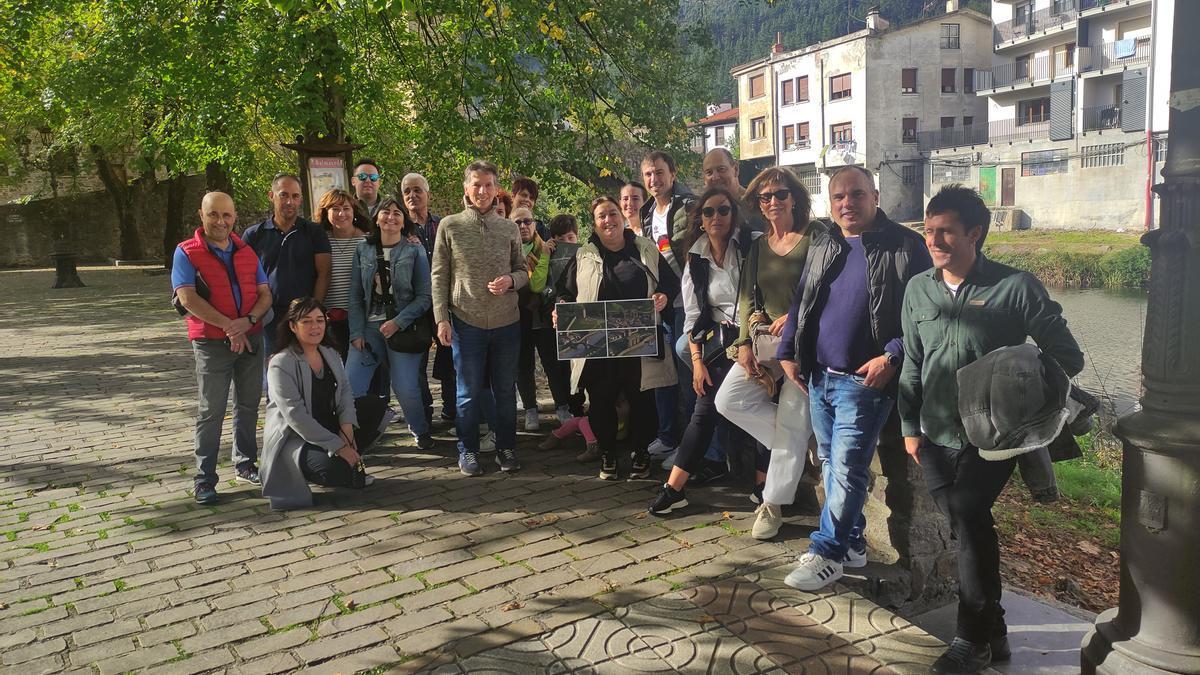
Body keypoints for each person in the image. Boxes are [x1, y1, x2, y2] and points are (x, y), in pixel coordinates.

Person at [899, 185, 1083, 674]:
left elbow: (1067, 358)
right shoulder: (919, 288)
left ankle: (971, 639)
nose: (933, 240)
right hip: (934, 433)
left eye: (945, 232)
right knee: (969, 528)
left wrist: (1015, 390)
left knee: (968, 516)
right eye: (927, 230)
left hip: (994, 442)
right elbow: (914, 362)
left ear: (975, 233)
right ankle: (994, 630)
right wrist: (908, 424)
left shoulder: (1015, 287)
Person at [775, 165, 932, 591]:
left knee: (846, 466)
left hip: (866, 381)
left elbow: (925, 315)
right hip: (820, 375)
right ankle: (853, 542)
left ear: (875, 196)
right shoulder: (826, 242)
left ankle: (827, 553)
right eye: (840, 197)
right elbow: (803, 298)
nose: (848, 204)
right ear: (831, 203)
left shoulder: (906, 245)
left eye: (857, 194)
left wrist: (892, 357)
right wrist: (788, 351)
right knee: (829, 461)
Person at [714, 167, 823, 540]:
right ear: (758, 204)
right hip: (767, 345)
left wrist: (794, 317)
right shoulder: (759, 245)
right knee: (728, 400)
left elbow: (830, 290)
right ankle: (803, 443)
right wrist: (743, 344)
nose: (773, 201)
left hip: (806, 345)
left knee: (793, 417)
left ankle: (773, 504)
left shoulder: (817, 236)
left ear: (794, 197)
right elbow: (747, 297)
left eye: (780, 194)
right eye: (765, 197)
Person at [649, 187, 757, 514]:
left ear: (733, 214)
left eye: (723, 211)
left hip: (754, 339)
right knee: (703, 405)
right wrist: (696, 361)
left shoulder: (751, 245)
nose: (716, 218)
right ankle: (674, 489)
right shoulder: (695, 257)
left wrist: (748, 342)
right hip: (718, 344)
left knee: (763, 405)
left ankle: (765, 485)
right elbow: (694, 317)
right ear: (700, 219)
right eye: (708, 212)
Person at [558, 196, 679, 480]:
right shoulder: (583, 255)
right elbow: (564, 292)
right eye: (602, 216)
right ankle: (608, 454)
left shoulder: (645, 249)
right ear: (594, 223)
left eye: (613, 213)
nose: (608, 220)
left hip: (640, 340)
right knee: (601, 401)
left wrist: (663, 295)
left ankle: (640, 452)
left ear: (623, 217)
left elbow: (670, 284)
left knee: (642, 402)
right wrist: (561, 308)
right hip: (598, 343)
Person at [172, 191, 272, 505]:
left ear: (235, 217)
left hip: (251, 336)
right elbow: (187, 298)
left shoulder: (246, 251)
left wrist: (249, 320)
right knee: (211, 410)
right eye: (214, 214)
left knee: (248, 404)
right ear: (201, 216)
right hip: (211, 342)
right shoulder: (186, 252)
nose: (220, 221)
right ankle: (204, 479)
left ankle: (245, 463)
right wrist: (230, 325)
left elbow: (265, 293)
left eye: (227, 215)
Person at [432, 160, 528, 476]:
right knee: (467, 392)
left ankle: (506, 448)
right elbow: (439, 275)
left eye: (488, 185)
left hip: (506, 322)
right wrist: (441, 318)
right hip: (465, 321)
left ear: (495, 188)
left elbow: (523, 271)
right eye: (476, 184)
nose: (483, 191)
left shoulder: (510, 227)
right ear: (466, 188)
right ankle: (468, 450)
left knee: (504, 391)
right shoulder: (450, 225)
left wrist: (511, 281)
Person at [260, 298, 376, 510]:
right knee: (337, 473)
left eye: (320, 320)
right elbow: (295, 416)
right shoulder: (280, 363)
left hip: (329, 425)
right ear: (293, 326)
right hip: (297, 437)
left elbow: (345, 393)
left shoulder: (331, 353)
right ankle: (335, 467)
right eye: (307, 321)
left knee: (375, 408)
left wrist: (347, 433)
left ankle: (352, 460)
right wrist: (338, 446)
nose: (315, 327)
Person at [346, 196, 434, 449]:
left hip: (403, 328)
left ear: (403, 220)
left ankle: (420, 429)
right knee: (351, 386)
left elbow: (425, 296)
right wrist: (356, 332)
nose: (391, 217)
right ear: (377, 218)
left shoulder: (414, 249)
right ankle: (353, 436)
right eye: (386, 212)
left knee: (405, 388)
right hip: (368, 328)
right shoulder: (363, 248)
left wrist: (398, 321)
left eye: (397, 213)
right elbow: (355, 295)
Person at [638, 151, 697, 463]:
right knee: (666, 373)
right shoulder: (647, 213)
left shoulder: (687, 206)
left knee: (689, 376)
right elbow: (657, 265)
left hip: (691, 304)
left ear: (673, 174)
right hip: (667, 304)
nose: (653, 180)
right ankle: (670, 439)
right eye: (648, 174)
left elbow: (694, 256)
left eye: (659, 173)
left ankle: (690, 450)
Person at [243, 173, 332, 356]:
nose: (289, 201)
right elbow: (244, 278)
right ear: (271, 196)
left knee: (307, 372)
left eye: (295, 196)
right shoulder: (254, 235)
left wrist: (312, 312)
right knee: (273, 375)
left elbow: (324, 274)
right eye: (284, 195)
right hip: (267, 317)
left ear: (300, 199)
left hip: (303, 317)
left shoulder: (314, 232)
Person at [401, 172, 455, 425]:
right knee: (417, 362)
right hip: (415, 304)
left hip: (445, 301)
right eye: (407, 191)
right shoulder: (399, 229)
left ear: (428, 195)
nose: (412, 195)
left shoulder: (444, 225)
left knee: (450, 356)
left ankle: (452, 409)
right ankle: (423, 415)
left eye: (417, 190)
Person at [512, 206, 571, 430]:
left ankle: (562, 407)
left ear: (535, 224)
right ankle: (530, 410)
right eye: (517, 223)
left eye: (527, 221)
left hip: (545, 316)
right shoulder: (509, 250)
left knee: (553, 364)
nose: (523, 226)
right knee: (523, 365)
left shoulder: (547, 247)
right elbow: (535, 283)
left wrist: (545, 256)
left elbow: (538, 284)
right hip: (518, 316)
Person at [317, 189, 368, 360]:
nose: (341, 213)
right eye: (335, 209)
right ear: (326, 213)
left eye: (346, 208)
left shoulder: (367, 241)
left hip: (362, 319)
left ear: (353, 211)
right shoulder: (319, 240)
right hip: (331, 320)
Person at [702, 148, 766, 233]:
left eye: (721, 169)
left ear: (736, 169)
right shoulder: (699, 211)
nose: (715, 177)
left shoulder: (759, 206)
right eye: (709, 172)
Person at [511, 175, 552, 242]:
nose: (527, 200)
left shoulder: (541, 230)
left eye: (531, 198)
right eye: (524, 195)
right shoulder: (502, 224)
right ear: (513, 196)